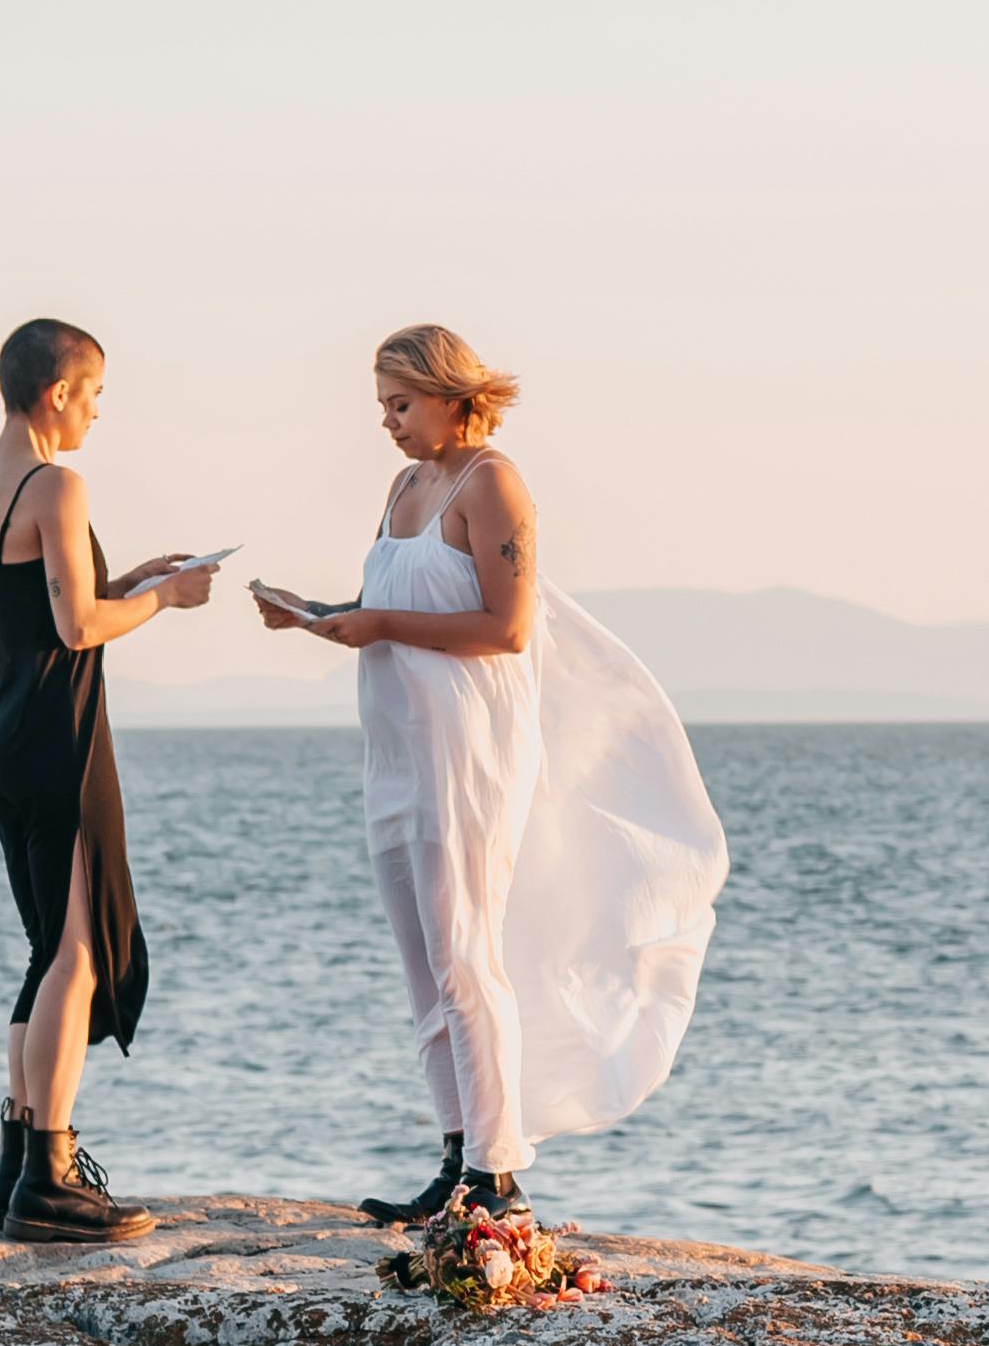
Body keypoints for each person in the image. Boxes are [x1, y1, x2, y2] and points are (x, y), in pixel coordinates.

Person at [253, 324, 725, 1259]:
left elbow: (504, 628)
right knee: (425, 962)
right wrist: (317, 618)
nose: (387, 423)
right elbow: (390, 616)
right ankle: (456, 1151)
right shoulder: (404, 488)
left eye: (400, 403)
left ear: (451, 395)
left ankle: (497, 1177)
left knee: (468, 952)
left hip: (468, 755)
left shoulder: (492, 483)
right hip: (395, 753)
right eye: (381, 406)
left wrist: (373, 618)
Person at [0, 317, 212, 1240]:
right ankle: (52, 1179)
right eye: (94, 394)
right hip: (60, 739)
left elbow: (38, 604)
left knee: (44, 953)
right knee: (75, 954)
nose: (98, 413)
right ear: (57, 391)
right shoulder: (56, 483)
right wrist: (167, 599)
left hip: (3, 736)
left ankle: (18, 1163)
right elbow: (75, 630)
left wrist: (128, 578)